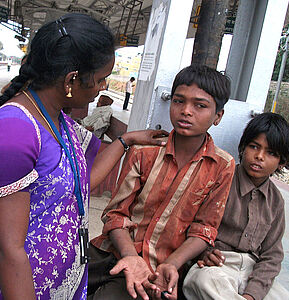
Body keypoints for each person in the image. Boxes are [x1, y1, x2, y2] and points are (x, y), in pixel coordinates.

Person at [0, 13, 167, 300]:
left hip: (65, 280)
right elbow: (9, 249)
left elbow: (81, 182)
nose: (104, 87)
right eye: (101, 79)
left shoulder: (58, 120)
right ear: (72, 80)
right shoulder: (17, 130)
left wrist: (125, 140)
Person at [88, 64, 236, 300]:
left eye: (200, 105)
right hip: (114, 253)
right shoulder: (144, 151)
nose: (186, 111)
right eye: (179, 101)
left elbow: (204, 230)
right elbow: (115, 214)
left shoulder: (222, 165)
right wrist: (132, 258)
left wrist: (172, 265)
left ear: (218, 116)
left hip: (166, 269)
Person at [183, 112, 289, 300]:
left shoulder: (276, 201)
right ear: (243, 147)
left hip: (251, 272)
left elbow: (272, 255)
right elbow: (189, 225)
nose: (259, 156)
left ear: (281, 162)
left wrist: (252, 295)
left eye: (271, 153)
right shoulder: (221, 180)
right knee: (204, 281)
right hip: (217, 265)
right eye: (254, 147)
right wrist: (204, 253)